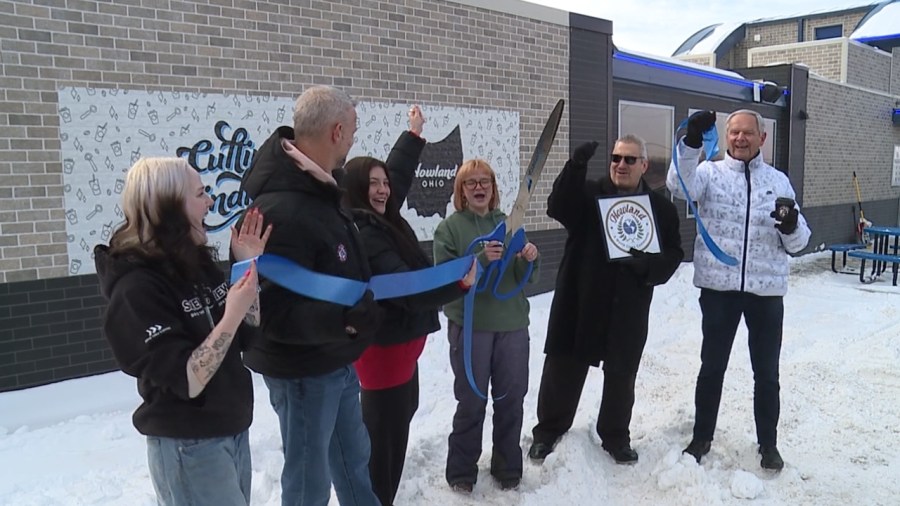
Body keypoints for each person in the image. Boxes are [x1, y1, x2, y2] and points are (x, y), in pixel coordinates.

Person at [239, 85, 383, 506]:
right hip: (302, 370)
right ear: (336, 131)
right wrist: (345, 321)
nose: (355, 138)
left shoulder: (320, 191)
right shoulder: (281, 207)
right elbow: (272, 312)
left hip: (335, 359)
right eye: (353, 130)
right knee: (308, 486)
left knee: (355, 463)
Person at [95, 157, 268, 506]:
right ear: (169, 205)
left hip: (231, 429)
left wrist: (247, 266)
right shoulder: (136, 289)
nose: (209, 202)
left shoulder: (195, 261)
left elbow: (246, 337)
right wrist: (231, 316)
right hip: (189, 445)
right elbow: (188, 379)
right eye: (200, 193)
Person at [341, 105, 477, 506]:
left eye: (384, 183)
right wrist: (458, 283)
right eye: (374, 184)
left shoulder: (379, 215)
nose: (384, 190)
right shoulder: (366, 234)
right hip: (383, 356)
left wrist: (413, 136)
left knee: (398, 420)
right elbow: (409, 290)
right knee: (384, 442)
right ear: (355, 189)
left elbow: (397, 176)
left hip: (400, 352)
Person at [666, 109, 811, 471]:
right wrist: (691, 144)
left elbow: (799, 243)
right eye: (734, 133)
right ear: (727, 137)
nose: (740, 139)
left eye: (748, 133)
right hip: (720, 289)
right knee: (711, 368)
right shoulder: (708, 174)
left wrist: (791, 225)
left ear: (762, 138)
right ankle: (701, 438)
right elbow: (677, 184)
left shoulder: (779, 182)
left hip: (766, 293)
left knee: (767, 373)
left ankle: (769, 445)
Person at [527, 136, 684, 465]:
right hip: (580, 298)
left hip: (627, 305)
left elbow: (674, 254)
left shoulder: (662, 210)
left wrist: (648, 265)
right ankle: (548, 431)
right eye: (615, 158)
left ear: (644, 165)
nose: (621, 165)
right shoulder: (588, 194)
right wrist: (575, 167)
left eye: (629, 159)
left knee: (622, 374)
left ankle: (615, 435)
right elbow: (558, 206)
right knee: (563, 367)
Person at [432, 158, 540, 493]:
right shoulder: (449, 229)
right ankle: (461, 470)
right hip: (471, 328)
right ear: (461, 191)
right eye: (471, 183)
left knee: (511, 398)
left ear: (493, 188)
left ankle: (507, 466)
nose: (479, 188)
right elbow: (446, 280)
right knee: (471, 401)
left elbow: (523, 279)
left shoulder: (508, 224)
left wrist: (528, 259)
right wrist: (480, 260)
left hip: (512, 325)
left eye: (485, 182)